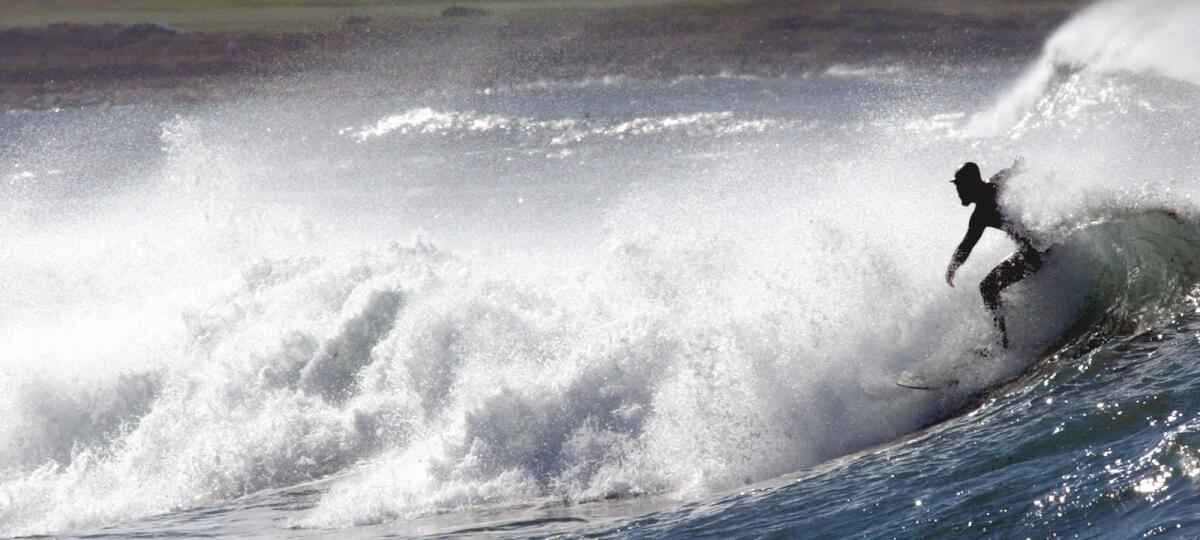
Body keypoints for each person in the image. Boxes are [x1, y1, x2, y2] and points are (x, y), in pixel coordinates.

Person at [944, 157, 1043, 348]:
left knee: (987, 287)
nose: (958, 192)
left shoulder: (982, 213)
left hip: (1035, 252)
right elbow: (1007, 173)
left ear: (971, 184)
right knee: (991, 286)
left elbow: (967, 245)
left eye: (960, 187)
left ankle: (1002, 343)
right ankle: (1007, 337)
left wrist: (952, 267)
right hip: (1038, 248)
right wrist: (1017, 168)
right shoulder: (994, 183)